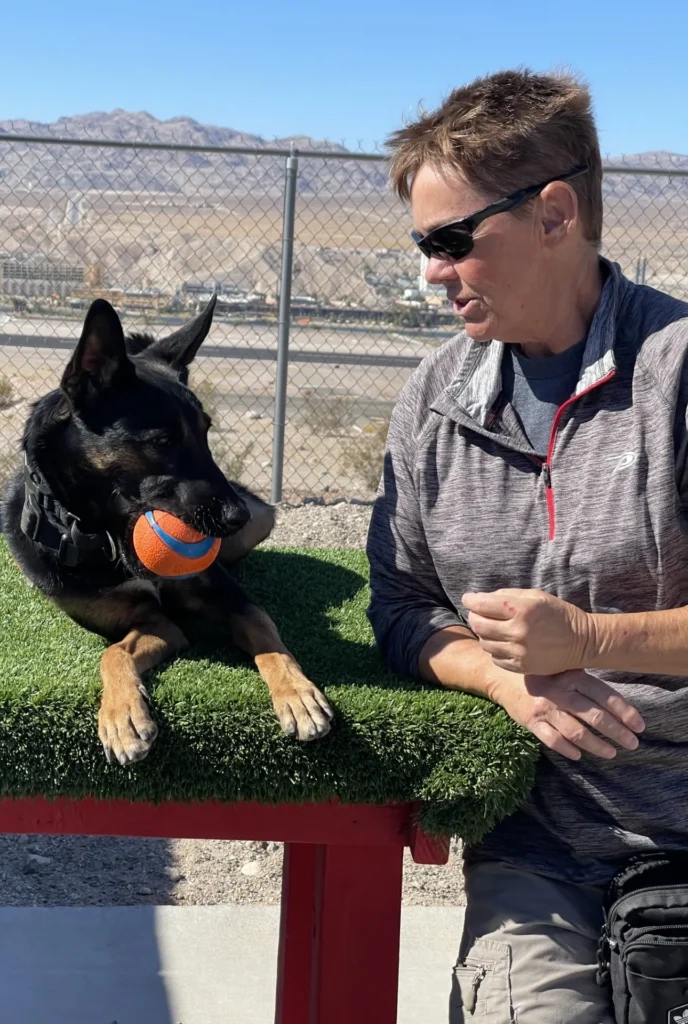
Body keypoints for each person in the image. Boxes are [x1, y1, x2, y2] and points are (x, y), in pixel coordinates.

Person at [367, 68, 688, 1023]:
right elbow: (399, 607)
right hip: (538, 849)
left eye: (452, 240)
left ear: (555, 215)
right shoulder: (432, 401)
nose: (431, 270)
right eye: (424, 245)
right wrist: (504, 679)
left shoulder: (676, 375)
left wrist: (589, 640)